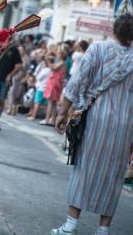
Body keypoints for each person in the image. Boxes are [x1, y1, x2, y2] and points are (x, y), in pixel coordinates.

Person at [51, 14, 133, 235]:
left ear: (114, 29)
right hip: (125, 124)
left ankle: (70, 225)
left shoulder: (98, 50)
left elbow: (78, 81)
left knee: (84, 168)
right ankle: (103, 229)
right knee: (114, 175)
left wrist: (62, 111)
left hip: (96, 118)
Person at [0, 39, 22, 129]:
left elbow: (19, 65)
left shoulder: (14, 50)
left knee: (1, 101)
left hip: (5, 80)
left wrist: (10, 75)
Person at [40, 46, 67, 126]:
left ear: (61, 55)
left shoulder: (62, 63)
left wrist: (48, 59)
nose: (57, 54)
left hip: (55, 84)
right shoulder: (59, 62)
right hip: (54, 83)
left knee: (51, 102)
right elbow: (51, 66)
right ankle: (52, 120)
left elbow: (53, 68)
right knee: (53, 103)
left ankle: (48, 119)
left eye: (58, 53)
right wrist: (46, 59)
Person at [7, 44, 30, 116]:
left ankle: (14, 109)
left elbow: (29, 71)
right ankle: (10, 108)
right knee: (11, 92)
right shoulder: (16, 57)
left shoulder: (26, 59)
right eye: (19, 50)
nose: (20, 51)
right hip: (14, 77)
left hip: (21, 78)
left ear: (24, 51)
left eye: (22, 50)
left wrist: (25, 79)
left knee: (18, 94)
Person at [27, 54, 50, 121]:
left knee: (37, 102)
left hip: (41, 88)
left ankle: (33, 116)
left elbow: (38, 77)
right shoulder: (51, 70)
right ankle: (47, 118)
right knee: (46, 104)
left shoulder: (45, 70)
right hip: (46, 88)